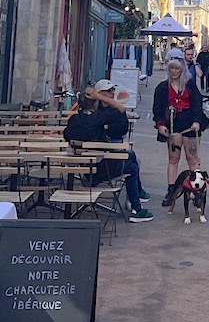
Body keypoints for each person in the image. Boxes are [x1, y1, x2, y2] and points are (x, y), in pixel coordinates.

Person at [64, 80, 153, 222]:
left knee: (130, 156)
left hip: (83, 168)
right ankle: (136, 208)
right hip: (101, 169)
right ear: (95, 103)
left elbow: (66, 136)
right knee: (132, 167)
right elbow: (121, 109)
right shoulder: (98, 118)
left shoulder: (73, 120)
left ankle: (137, 196)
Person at [152, 57, 206, 207]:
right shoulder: (162, 87)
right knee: (173, 159)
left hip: (190, 126)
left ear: (182, 70)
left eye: (177, 69)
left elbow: (197, 104)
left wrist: (197, 121)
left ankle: (197, 191)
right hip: (172, 126)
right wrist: (160, 124)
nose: (174, 71)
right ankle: (171, 190)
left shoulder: (190, 85)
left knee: (192, 159)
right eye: (172, 68)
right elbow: (157, 108)